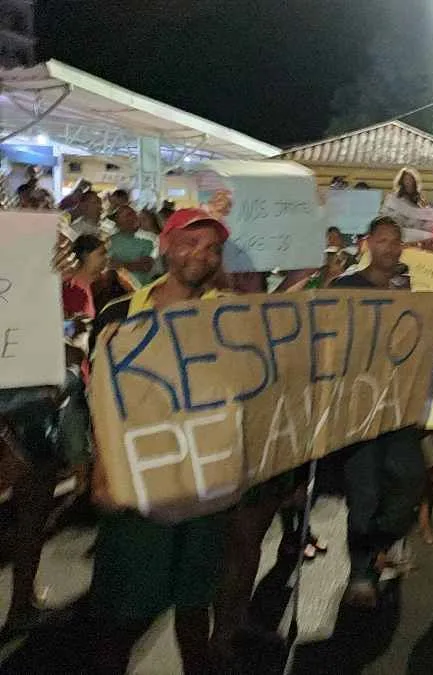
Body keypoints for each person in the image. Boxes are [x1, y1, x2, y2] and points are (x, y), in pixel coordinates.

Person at [86, 208, 232, 674]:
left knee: (194, 608)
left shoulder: (233, 317)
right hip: (136, 478)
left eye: (212, 248)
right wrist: (101, 474)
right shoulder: (119, 313)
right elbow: (101, 401)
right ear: (164, 245)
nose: (201, 255)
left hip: (204, 480)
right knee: (122, 614)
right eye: (189, 242)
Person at [325, 215, 433, 608]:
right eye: (383, 240)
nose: (390, 247)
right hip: (357, 407)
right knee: (365, 490)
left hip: (398, 405)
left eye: (396, 241)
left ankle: (379, 542)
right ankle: (361, 574)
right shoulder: (345, 287)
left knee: (410, 478)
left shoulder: (411, 289)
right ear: (368, 242)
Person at [105, 205, 157, 286]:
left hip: (143, 287)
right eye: (127, 215)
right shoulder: (111, 240)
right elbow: (107, 264)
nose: (132, 217)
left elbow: (146, 265)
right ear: (117, 221)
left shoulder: (150, 238)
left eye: (132, 214)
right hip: (119, 288)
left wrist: (121, 265)